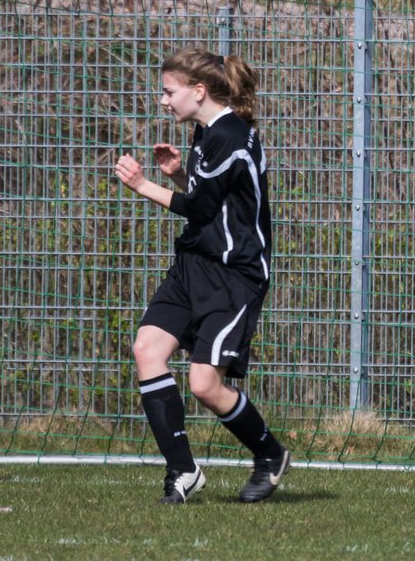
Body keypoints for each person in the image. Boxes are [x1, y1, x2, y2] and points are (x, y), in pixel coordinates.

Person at [114, 48, 289, 504]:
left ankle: (270, 454)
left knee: (204, 384)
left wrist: (142, 184)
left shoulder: (231, 135)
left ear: (199, 90)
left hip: (234, 276)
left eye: (168, 92)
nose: (164, 101)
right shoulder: (206, 130)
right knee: (147, 349)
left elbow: (201, 208)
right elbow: (213, 197)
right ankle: (183, 470)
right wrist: (180, 172)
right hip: (193, 265)